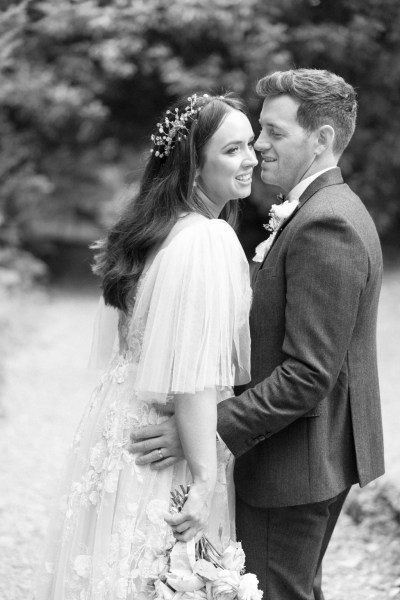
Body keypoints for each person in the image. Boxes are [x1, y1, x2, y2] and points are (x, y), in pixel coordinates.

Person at [130, 69, 385, 600]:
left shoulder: (327, 223)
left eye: (273, 132)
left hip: (293, 465)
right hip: (296, 456)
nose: (260, 146)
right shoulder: (311, 213)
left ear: (322, 140)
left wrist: (200, 432)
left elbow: (306, 373)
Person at [33, 93, 258, 599]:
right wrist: (202, 479)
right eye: (233, 150)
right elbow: (194, 373)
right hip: (169, 447)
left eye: (251, 147)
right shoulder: (208, 239)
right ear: (193, 165)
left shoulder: (151, 231)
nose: (250, 160)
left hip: (118, 429)